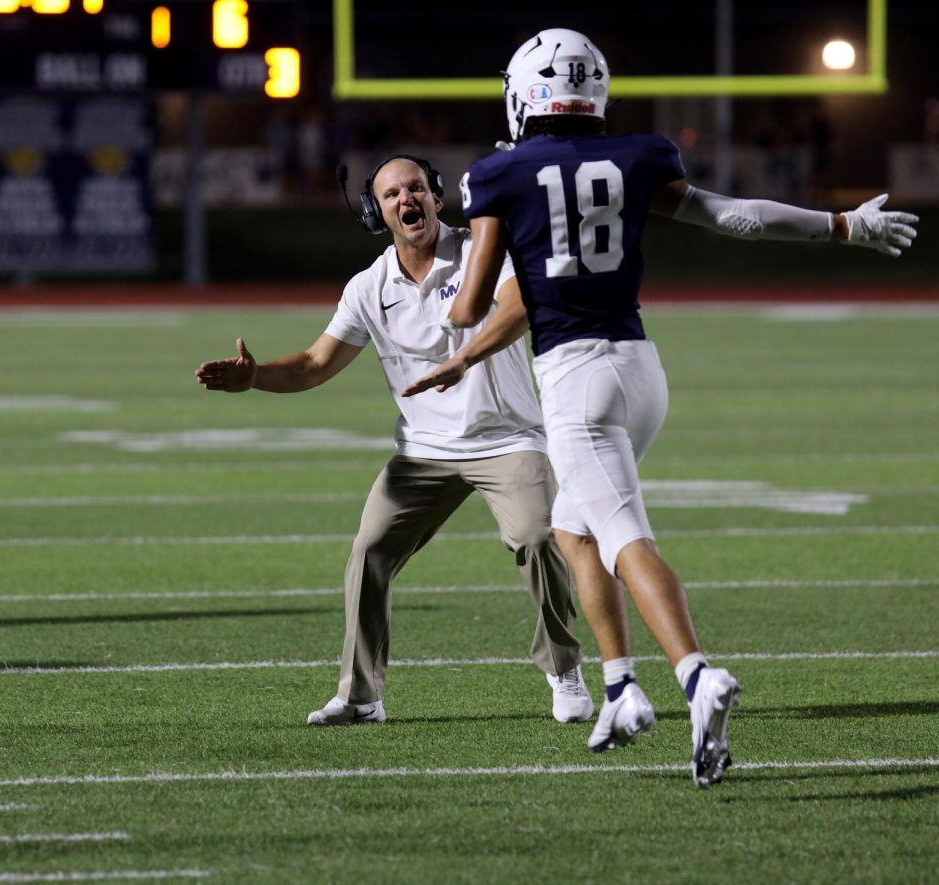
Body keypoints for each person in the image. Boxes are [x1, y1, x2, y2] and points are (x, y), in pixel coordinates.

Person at [403, 29, 918, 787]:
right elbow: (736, 216)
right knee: (573, 529)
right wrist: (843, 225)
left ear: (523, 95)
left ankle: (696, 672)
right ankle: (621, 687)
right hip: (640, 371)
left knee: (620, 534)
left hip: (576, 379)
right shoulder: (639, 155)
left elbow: (470, 304)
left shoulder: (499, 172)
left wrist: (500, 234)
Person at [195, 153, 594, 726]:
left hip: (506, 440)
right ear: (375, 212)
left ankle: (563, 669)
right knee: (369, 554)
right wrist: (256, 377)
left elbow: (521, 307)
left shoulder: (483, 251)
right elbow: (314, 363)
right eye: (391, 195)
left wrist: (464, 360)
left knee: (536, 538)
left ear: (436, 197)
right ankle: (362, 696)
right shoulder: (369, 286)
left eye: (415, 190)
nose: (405, 200)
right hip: (424, 452)